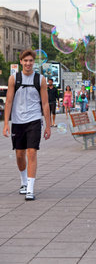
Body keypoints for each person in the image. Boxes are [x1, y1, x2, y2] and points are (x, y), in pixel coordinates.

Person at [2, 49, 52, 201]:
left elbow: (45, 104)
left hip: (34, 120)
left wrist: (48, 126)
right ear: (21, 62)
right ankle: (23, 181)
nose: (28, 63)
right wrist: (6, 124)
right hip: (18, 121)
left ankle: (30, 188)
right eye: (26, 61)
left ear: (33, 62)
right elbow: (9, 102)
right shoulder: (14, 79)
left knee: (32, 152)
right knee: (19, 154)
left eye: (31, 61)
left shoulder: (40, 79)